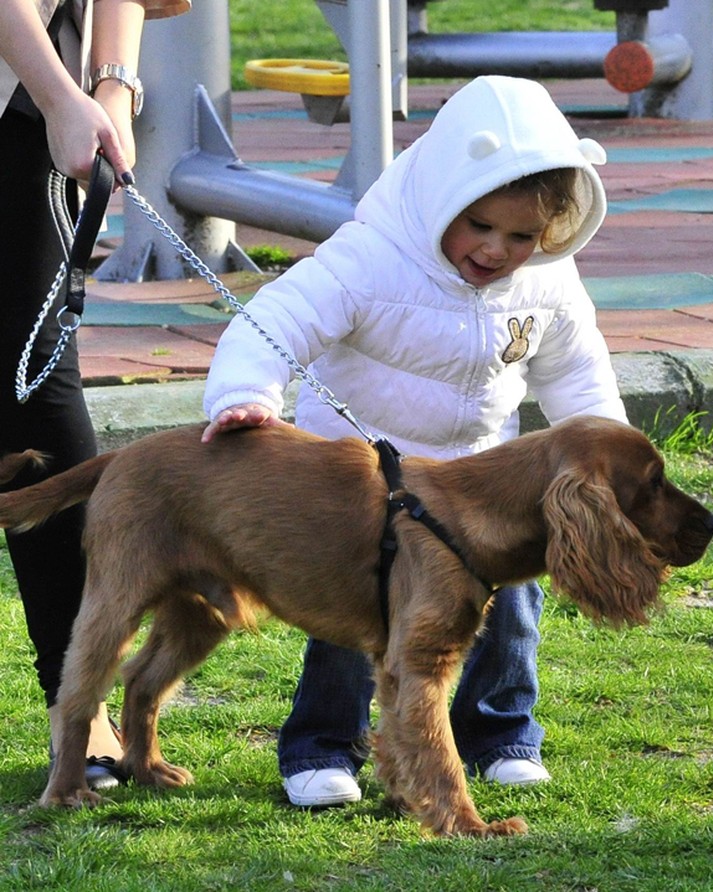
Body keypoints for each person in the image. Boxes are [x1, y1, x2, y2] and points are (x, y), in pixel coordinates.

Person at [202, 76, 628, 807]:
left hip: (477, 480)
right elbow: (279, 317)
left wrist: (611, 451)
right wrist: (246, 395)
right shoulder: (371, 255)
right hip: (362, 483)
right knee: (356, 612)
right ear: (442, 198)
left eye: (521, 236)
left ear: (551, 233)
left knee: (508, 607)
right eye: (481, 226)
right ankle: (323, 746)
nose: (497, 250)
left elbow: (578, 373)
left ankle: (500, 733)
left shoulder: (549, 283)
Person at [0, 0, 189, 789]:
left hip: (29, 90)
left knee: (38, 375)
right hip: (36, 82)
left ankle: (79, 702)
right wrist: (57, 93)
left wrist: (109, 88)